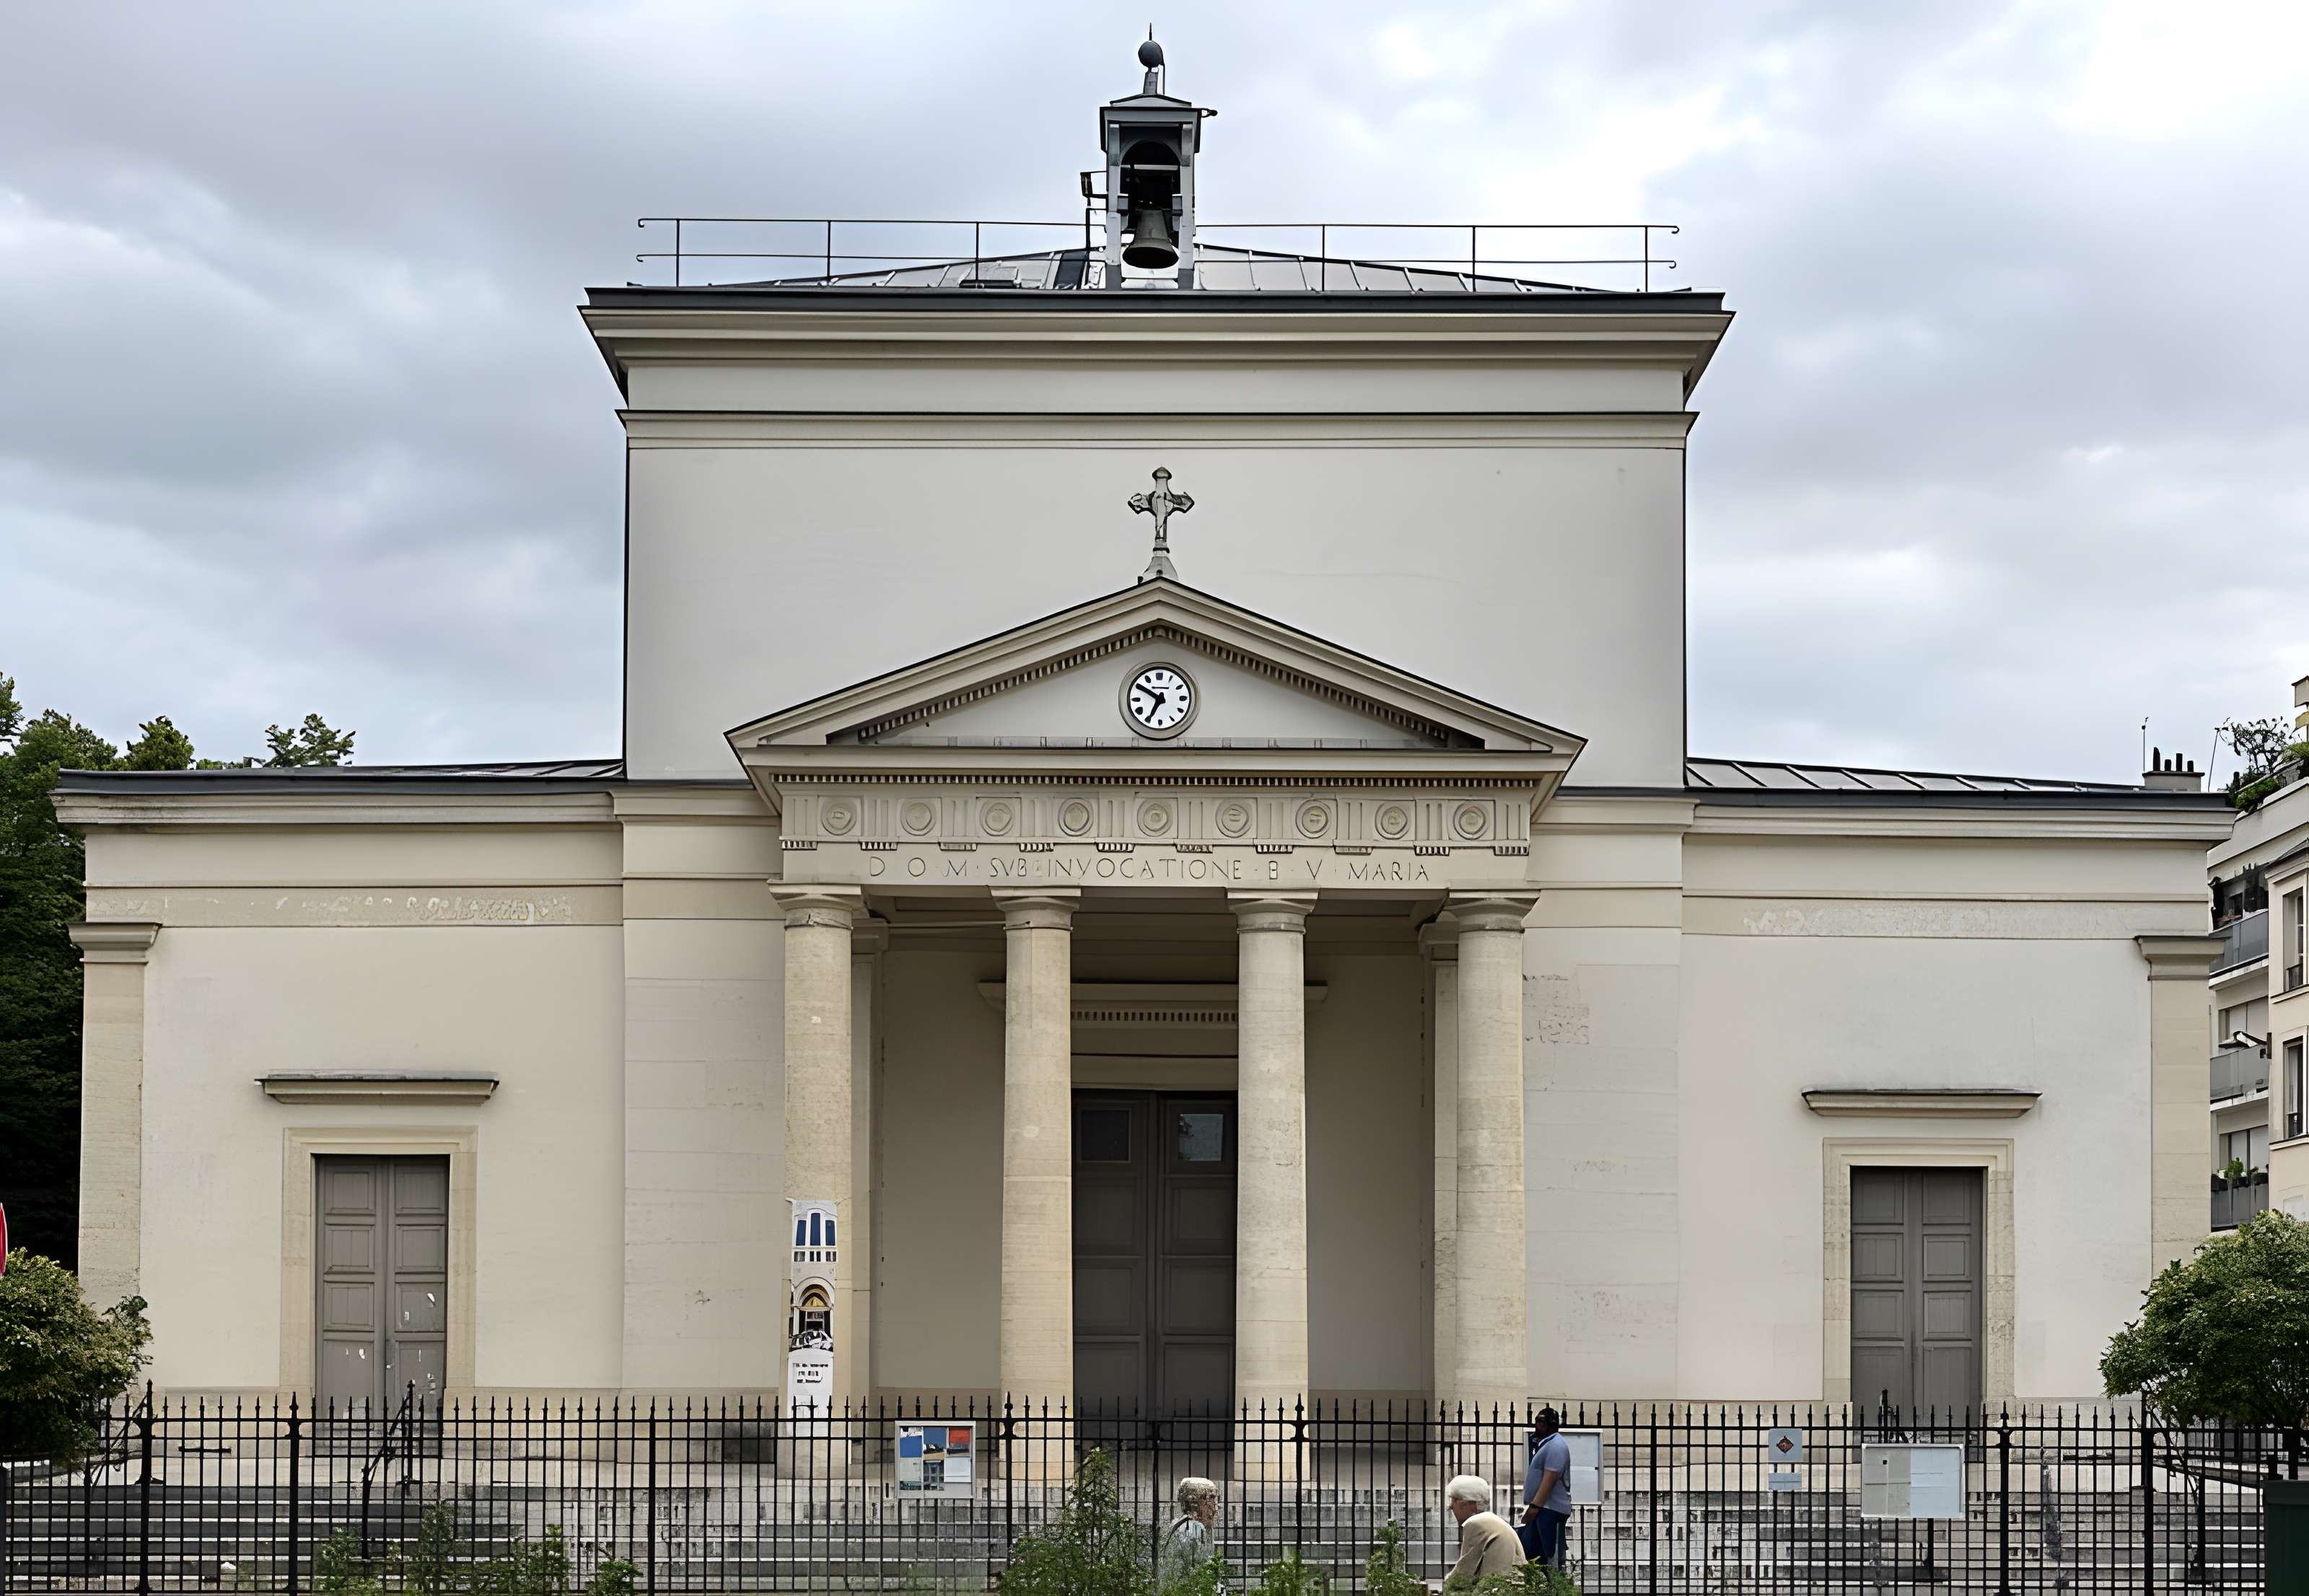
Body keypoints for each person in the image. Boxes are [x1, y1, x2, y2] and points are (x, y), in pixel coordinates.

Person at [1442, 1475, 1522, 1589]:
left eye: (1452, 1505)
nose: (1452, 1510)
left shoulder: (1476, 1523)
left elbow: (1464, 1573)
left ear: (1463, 1504)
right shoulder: (1490, 1521)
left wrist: (1446, 1585)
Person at [1517, 1407, 1573, 1568]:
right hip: (1545, 1510)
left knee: (1548, 1558)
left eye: (1539, 1422)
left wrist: (1534, 1507)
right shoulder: (1550, 1444)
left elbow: (1550, 1479)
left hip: (1549, 1510)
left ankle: (1551, 1582)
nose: (1536, 1426)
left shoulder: (1556, 1446)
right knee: (1532, 1554)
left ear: (1545, 1424)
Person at [1158, 1476, 1221, 1590]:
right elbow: (1199, 1572)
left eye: (1216, 1499)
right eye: (1211, 1498)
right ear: (1194, 1502)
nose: (1215, 1508)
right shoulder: (1193, 1529)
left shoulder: (1176, 1527)